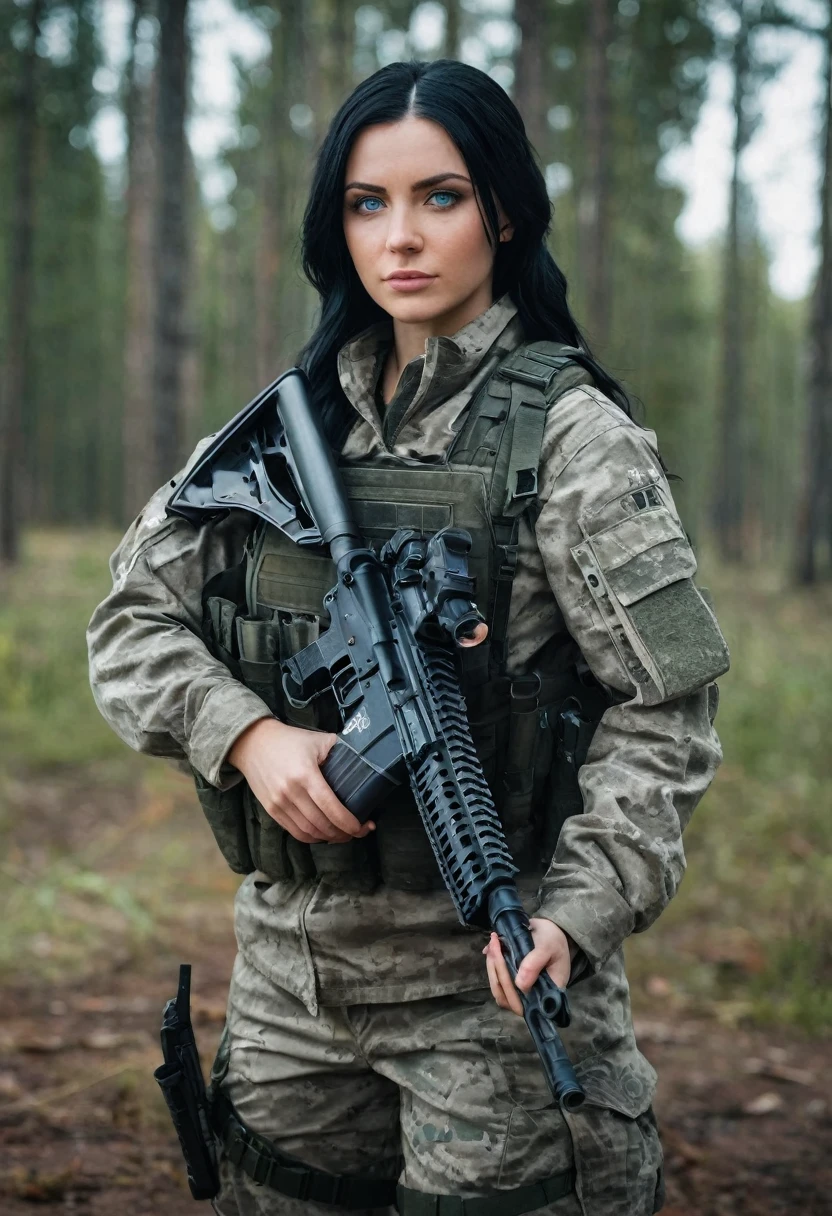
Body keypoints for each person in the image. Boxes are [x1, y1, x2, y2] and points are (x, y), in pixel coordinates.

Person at [87, 58, 728, 1216]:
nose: (402, 237)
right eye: (367, 203)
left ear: (505, 211)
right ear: (335, 226)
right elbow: (130, 624)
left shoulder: (575, 443)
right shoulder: (288, 432)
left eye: (439, 196)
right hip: (291, 973)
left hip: (491, 984)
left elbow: (663, 716)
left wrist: (573, 915)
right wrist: (246, 736)